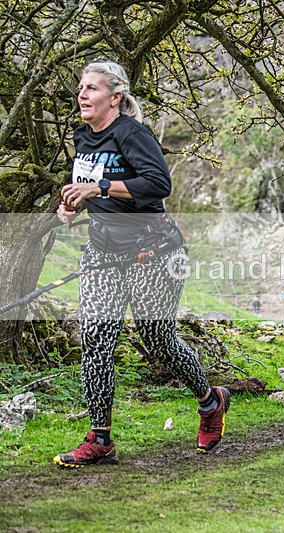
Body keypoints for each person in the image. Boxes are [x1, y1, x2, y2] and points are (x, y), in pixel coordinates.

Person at [53, 60, 229, 466]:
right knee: (96, 338)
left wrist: (98, 186)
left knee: (157, 339)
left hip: (154, 251)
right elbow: (95, 191)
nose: (82, 94)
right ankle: (100, 438)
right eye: (81, 87)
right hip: (102, 252)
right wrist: (73, 207)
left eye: (92, 88)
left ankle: (210, 401)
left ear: (115, 97)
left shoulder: (133, 134)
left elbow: (157, 184)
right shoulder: (83, 138)